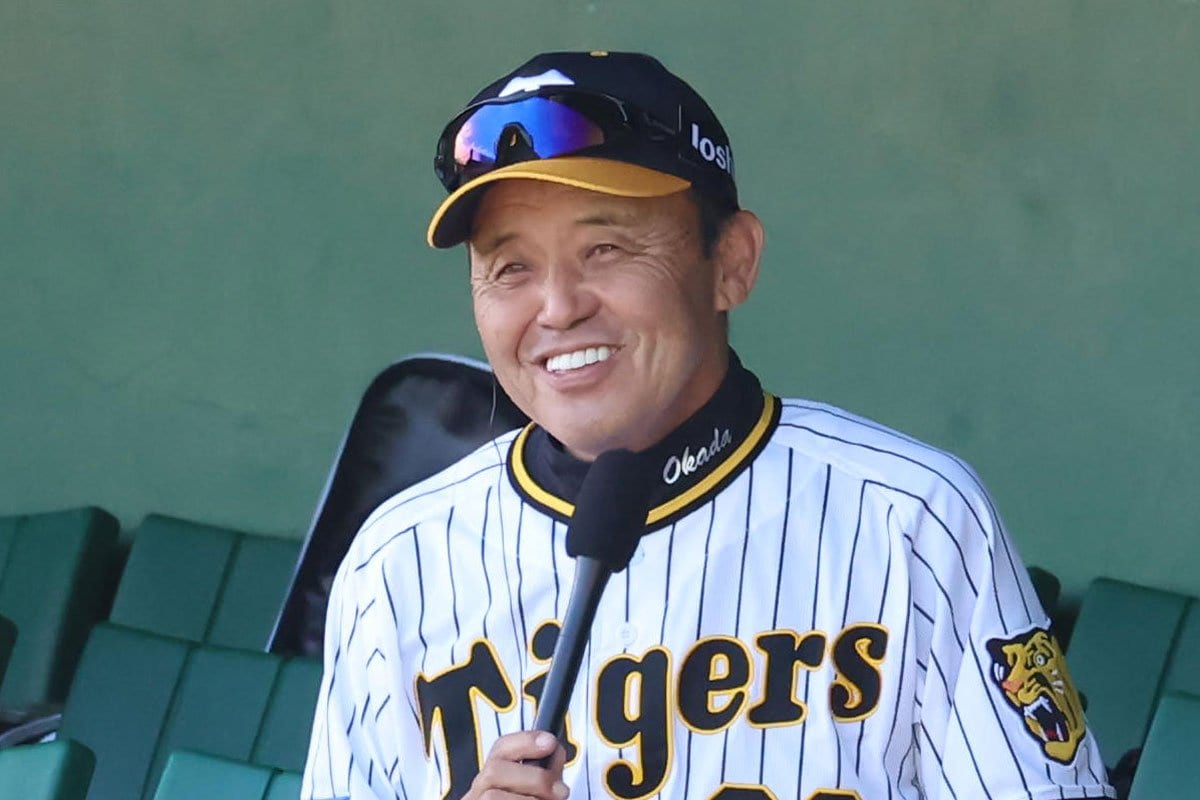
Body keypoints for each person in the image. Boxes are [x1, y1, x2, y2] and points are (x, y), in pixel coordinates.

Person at [302, 51, 1114, 800]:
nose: (557, 307)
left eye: (606, 249)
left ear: (732, 263)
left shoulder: (912, 519)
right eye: (510, 267)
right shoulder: (396, 563)